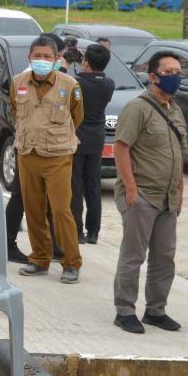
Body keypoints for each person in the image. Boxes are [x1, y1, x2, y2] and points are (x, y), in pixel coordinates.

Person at [111, 50, 186, 334]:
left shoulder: (175, 109)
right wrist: (131, 190)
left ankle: (156, 310)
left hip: (167, 198)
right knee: (133, 256)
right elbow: (121, 148)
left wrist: (179, 190)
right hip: (142, 195)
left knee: (164, 257)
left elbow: (178, 153)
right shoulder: (138, 108)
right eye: (168, 72)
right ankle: (124, 311)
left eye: (178, 72)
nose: (174, 77)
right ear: (153, 76)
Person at [12, 35, 84, 283]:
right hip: (27, 154)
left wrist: (53, 136)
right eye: (37, 56)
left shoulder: (70, 85)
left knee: (61, 211)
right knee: (33, 209)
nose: (41, 60)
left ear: (56, 59)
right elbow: (16, 111)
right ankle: (40, 258)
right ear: (29, 57)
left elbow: (77, 117)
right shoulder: (18, 82)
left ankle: (71, 263)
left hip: (58, 156)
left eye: (46, 56)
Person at [72, 43, 115, 244]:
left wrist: (69, 61)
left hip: (77, 137)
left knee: (75, 186)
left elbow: (62, 81)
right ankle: (93, 232)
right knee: (93, 186)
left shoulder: (77, 83)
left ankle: (77, 231)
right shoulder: (109, 84)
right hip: (97, 138)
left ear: (86, 63)